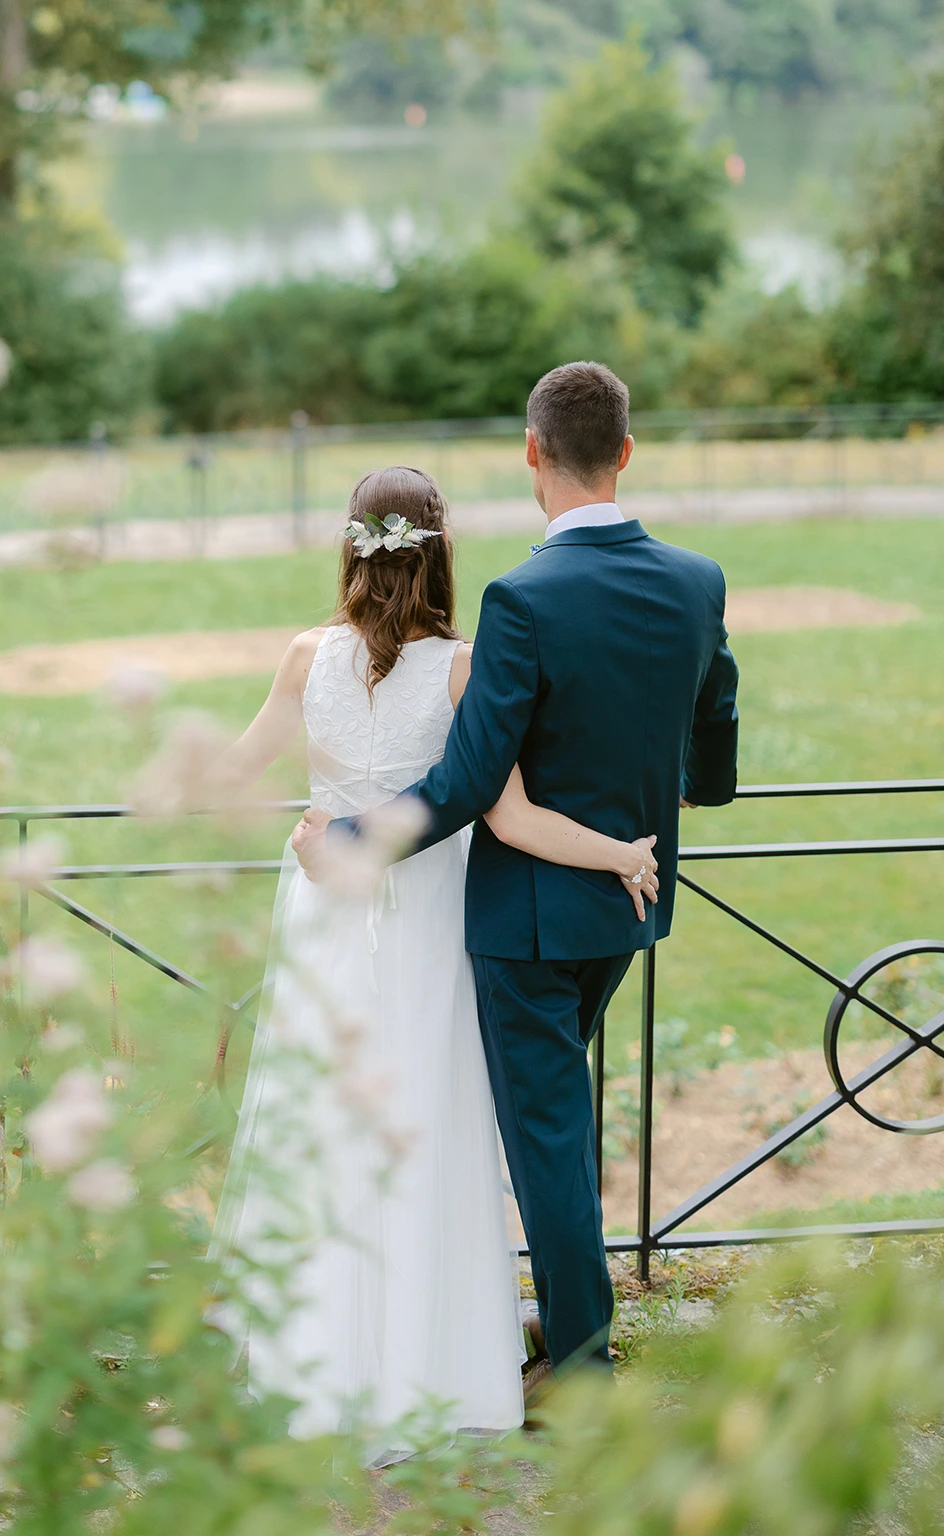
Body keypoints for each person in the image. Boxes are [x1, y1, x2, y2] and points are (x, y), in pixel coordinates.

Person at [293, 361, 739, 1392]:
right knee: (553, 1125)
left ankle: (580, 1364)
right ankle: (547, 1312)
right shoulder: (697, 579)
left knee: (544, 1136)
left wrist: (349, 839)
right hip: (628, 905)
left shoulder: (522, 599)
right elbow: (713, 717)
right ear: (624, 452)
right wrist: (690, 792)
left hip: (525, 926)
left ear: (532, 454)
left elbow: (460, 784)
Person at [210, 461, 660, 1461]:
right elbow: (510, 816)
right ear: (439, 550)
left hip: (328, 905)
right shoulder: (459, 667)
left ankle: (306, 1355)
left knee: (322, 1118)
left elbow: (230, 776)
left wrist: (295, 827)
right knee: (429, 1122)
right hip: (429, 914)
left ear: (349, 544)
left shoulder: (301, 655)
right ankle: (434, 1357)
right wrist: (618, 851)